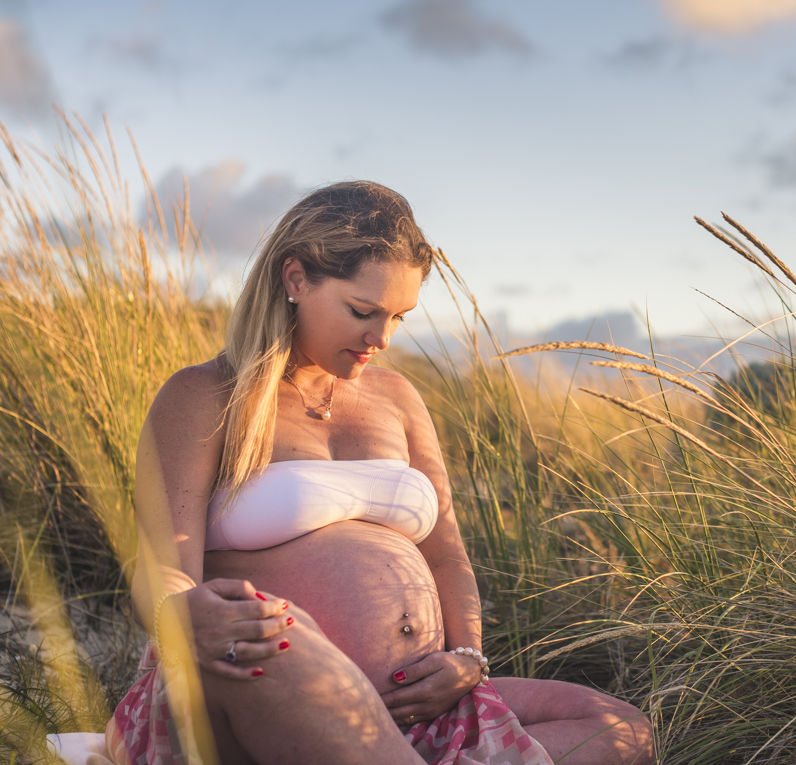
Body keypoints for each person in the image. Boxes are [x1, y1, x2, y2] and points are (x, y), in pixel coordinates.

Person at [107, 181, 655, 765]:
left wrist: (466, 661)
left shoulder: (397, 396)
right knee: (278, 635)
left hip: (413, 708)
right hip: (271, 680)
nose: (383, 338)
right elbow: (163, 568)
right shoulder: (205, 395)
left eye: (399, 316)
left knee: (620, 729)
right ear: (295, 279)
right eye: (362, 311)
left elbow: (447, 557)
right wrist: (182, 614)